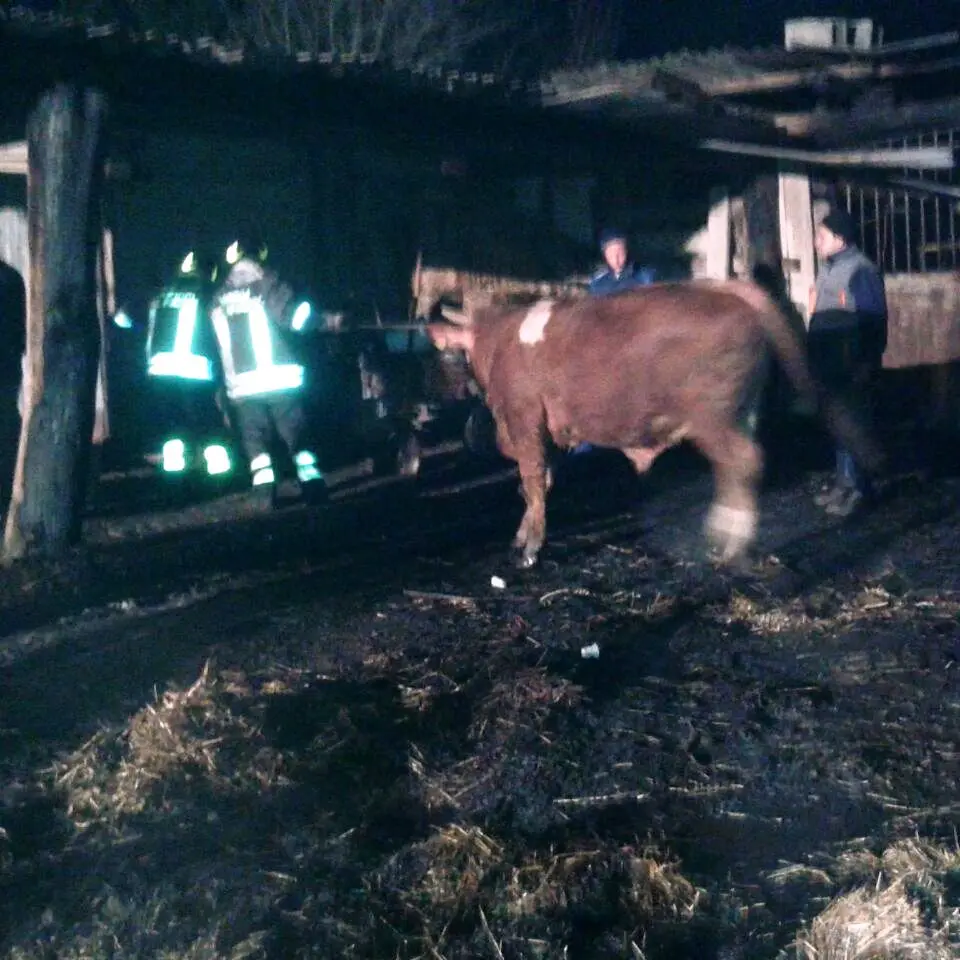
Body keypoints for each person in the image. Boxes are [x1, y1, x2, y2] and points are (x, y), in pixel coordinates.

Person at [210, 237, 327, 503]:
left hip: (241, 389)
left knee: (256, 446)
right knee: (296, 436)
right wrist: (321, 319)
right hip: (279, 381)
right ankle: (313, 489)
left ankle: (265, 496)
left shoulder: (218, 298)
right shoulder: (268, 284)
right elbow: (294, 318)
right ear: (259, 256)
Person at [808, 207, 887, 517]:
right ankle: (844, 482)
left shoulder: (860, 270)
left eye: (821, 236)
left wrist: (866, 362)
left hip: (851, 362)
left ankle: (860, 490)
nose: (816, 242)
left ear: (840, 239)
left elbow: (874, 320)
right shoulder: (829, 267)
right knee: (839, 423)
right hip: (830, 361)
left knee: (855, 424)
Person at [145, 250, 228, 475]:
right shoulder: (209, 295)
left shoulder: (162, 294)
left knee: (173, 421)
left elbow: (123, 318)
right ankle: (218, 471)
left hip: (160, 369)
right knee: (206, 418)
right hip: (197, 369)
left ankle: (175, 473)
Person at [588, 228, 657, 297]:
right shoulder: (598, 285)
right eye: (611, 255)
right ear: (605, 255)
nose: (616, 260)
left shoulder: (645, 277)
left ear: (626, 251)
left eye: (620, 254)